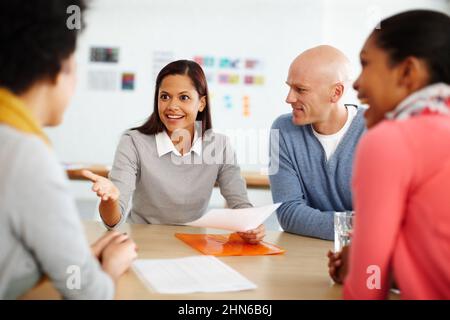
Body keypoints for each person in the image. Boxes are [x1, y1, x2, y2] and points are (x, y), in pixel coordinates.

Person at [0, 0, 137, 299]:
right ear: (55, 67)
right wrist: (108, 267)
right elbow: (88, 294)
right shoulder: (27, 156)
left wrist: (75, 259)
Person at [328, 10, 450, 299]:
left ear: (407, 72)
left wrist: (364, 267)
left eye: (366, 64)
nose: (356, 84)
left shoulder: (391, 140)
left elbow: (369, 285)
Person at [82, 60, 265, 244]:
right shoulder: (133, 142)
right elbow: (113, 222)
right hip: (142, 244)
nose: (172, 106)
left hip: (193, 245)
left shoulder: (220, 146)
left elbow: (240, 203)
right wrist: (110, 200)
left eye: (184, 97)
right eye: (165, 96)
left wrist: (252, 225)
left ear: (201, 103)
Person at [269, 45, 366, 240]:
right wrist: (355, 226)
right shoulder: (282, 130)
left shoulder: (376, 129)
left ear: (336, 93)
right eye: (289, 87)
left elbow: (383, 222)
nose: (289, 98)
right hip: (304, 254)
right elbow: (288, 214)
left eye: (301, 90)